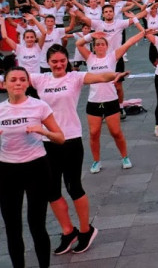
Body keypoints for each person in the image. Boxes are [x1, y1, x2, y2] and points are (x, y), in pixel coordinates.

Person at [30, 45, 127, 255]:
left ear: (67, 61)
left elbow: (101, 77)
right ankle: (68, 232)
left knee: (74, 187)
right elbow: (14, 81)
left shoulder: (75, 77)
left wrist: (116, 75)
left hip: (71, 140)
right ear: (48, 62)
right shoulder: (40, 79)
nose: (58, 64)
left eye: (62, 61)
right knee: (52, 190)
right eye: (54, 61)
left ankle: (85, 230)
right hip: (47, 141)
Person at [0, 66, 65, 268]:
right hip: (7, 170)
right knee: (12, 227)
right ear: (4, 85)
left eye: (22, 79)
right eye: (13, 80)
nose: (18, 83)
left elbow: (60, 138)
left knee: (37, 225)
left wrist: (43, 131)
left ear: (28, 83)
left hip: (36, 168)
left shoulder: (39, 106)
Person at [75, 24, 145, 173]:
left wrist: (143, 32)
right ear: (94, 47)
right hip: (94, 102)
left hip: (111, 100)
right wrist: (90, 36)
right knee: (94, 133)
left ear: (106, 46)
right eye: (97, 44)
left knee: (116, 132)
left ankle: (125, 157)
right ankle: (96, 161)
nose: (99, 46)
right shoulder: (90, 58)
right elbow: (78, 44)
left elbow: (129, 43)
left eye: (102, 44)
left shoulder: (112, 56)